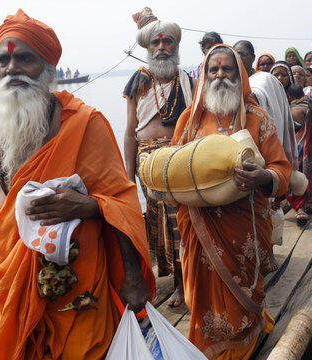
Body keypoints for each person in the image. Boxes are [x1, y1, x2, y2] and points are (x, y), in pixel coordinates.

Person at [0, 9, 155, 358]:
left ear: (49, 68)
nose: (12, 69)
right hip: (13, 278)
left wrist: (131, 274)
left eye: (25, 59)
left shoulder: (85, 123)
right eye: (3, 60)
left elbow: (122, 200)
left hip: (79, 282)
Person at [172, 44, 291, 359]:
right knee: (203, 293)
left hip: (245, 225)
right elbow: (172, 167)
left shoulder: (256, 117)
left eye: (227, 69)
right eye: (214, 70)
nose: (220, 75)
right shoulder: (189, 120)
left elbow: (281, 169)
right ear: (205, 75)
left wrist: (261, 178)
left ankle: (245, 339)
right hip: (199, 225)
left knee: (243, 290)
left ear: (240, 75)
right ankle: (208, 344)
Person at [123, 7, 193, 307]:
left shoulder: (186, 79)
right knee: (160, 225)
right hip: (147, 162)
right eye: (156, 43)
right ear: (148, 48)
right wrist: (127, 175)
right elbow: (129, 132)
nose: (162, 47)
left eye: (168, 42)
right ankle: (176, 281)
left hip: (180, 157)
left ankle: (185, 283)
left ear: (176, 47)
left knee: (184, 223)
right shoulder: (138, 81)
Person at [286, 84, 312, 225]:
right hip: (308, 148)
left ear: (290, 96)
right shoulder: (309, 107)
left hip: (294, 148)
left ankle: (300, 207)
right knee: (307, 174)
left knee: (295, 175)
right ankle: (304, 203)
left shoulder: (289, 109)